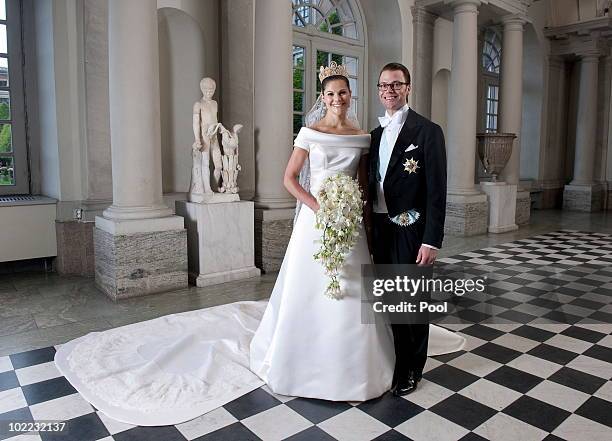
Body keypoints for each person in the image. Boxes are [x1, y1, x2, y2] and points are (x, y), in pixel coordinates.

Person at [249, 62, 396, 400]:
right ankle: (300, 360)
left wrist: (356, 214)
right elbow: (289, 178)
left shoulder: (362, 138)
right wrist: (319, 208)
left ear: (350, 95)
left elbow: (361, 183)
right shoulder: (309, 133)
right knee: (309, 285)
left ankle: (356, 367)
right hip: (315, 220)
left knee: (352, 285)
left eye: (342, 92)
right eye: (330, 93)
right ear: (323, 97)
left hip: (349, 221)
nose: (337, 98)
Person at [367, 62, 447, 396]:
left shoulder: (428, 131)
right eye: (383, 85)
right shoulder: (374, 135)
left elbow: (437, 190)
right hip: (381, 227)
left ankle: (413, 369)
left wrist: (431, 240)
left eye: (396, 84)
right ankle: (398, 362)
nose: (389, 90)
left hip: (412, 229)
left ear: (408, 87)